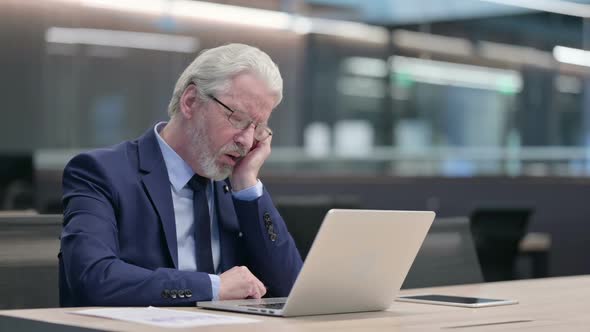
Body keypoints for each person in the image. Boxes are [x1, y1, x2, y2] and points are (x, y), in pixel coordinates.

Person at [59, 43, 303, 306]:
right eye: (237, 118)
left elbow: (292, 289)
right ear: (190, 102)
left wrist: (246, 185)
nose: (246, 140)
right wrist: (212, 287)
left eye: (257, 127)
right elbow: (93, 277)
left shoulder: (233, 189)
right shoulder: (101, 173)